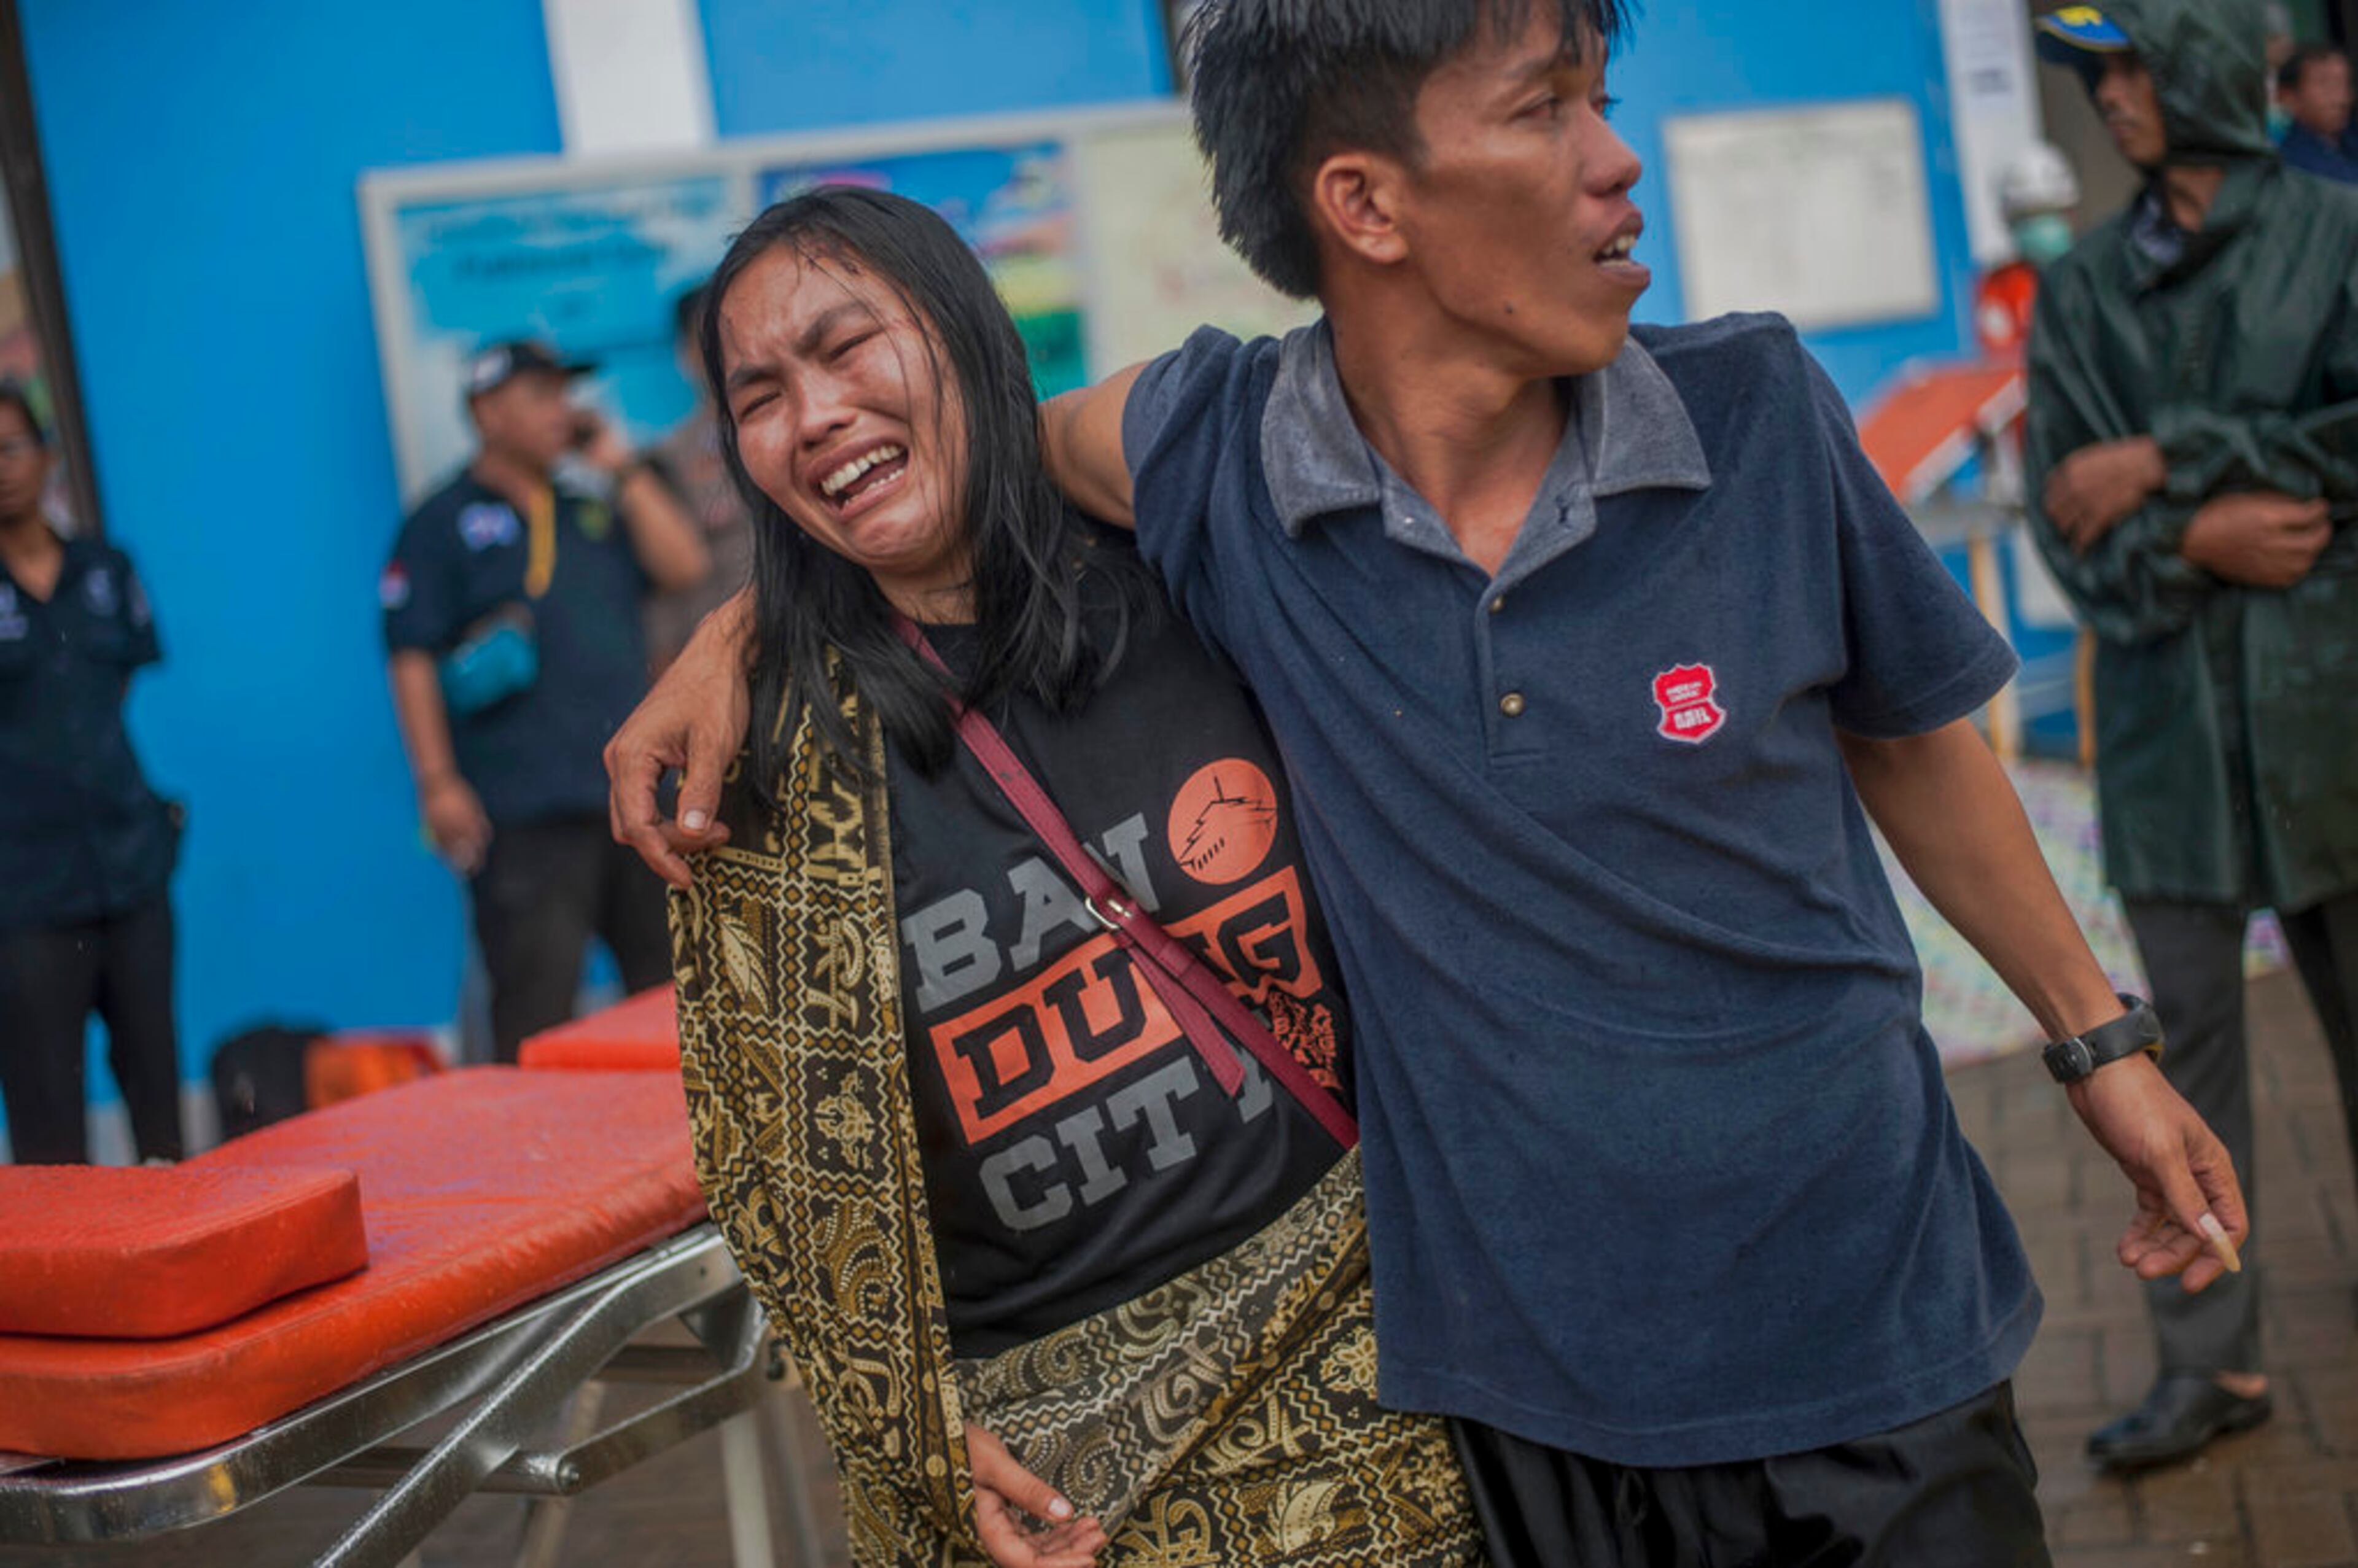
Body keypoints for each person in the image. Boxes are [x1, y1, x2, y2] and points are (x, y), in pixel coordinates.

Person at [619, 2, 2251, 1561]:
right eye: (1547, 108)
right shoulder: (1223, 467)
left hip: (1876, 1332)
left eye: (1600, 98)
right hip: (1528, 1405)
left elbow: (1909, 739)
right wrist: (753, 619)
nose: (1616, 156)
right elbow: (942, 469)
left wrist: (2097, 1040)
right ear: (1366, 203)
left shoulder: (1754, 410)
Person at [667, 187, 1481, 1567]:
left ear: (965, 331)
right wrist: (917, 1430)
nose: (814, 415)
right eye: (760, 396)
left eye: (849, 345)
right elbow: (772, 1168)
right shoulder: (764, 762)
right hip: (1051, 1459)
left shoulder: (1195, 576)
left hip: (1390, 1349)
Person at [2026, 0, 2358, 1470]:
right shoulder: (2081, 290)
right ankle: (2210, 1363)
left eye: (2133, 63)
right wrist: (2204, 537)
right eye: (2093, 72)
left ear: (2216, 59)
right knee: (2178, 1067)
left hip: (2333, 724)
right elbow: (2070, 523)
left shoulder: (2335, 237)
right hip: (2169, 742)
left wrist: (2168, 461)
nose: (2111, 95)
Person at [382, 340, 709, 1062]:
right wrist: (437, 783)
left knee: (677, 995)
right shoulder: (439, 523)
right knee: (536, 1011)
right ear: (486, 413)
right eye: (540, 396)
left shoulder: (591, 504)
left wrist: (621, 467)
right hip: (524, 813)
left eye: (565, 394)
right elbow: (411, 654)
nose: (562, 410)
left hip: (633, 799)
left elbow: (684, 565)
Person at [0, 384, 184, 1165]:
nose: (1, 468)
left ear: (46, 457)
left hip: (130, 871)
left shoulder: (106, 569)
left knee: (160, 1109)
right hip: (25, 896)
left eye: (11, 447)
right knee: (49, 1131)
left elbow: (113, 691)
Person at [642, 284, 758, 673]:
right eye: (709, 338)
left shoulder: (808, 422)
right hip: (727, 665)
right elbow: (663, 590)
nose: (728, 350)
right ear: (686, 356)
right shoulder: (667, 461)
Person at [1977, 141, 2085, 359]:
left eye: (2049, 212)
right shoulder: (2000, 286)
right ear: (2010, 223)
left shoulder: (2094, 274)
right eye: (2029, 217)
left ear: (2071, 215)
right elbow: (1999, 357)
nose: (2042, 228)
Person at [2279, 43, 2358, 183]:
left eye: (2344, 84)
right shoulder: (2292, 168)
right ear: (2290, 98)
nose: (2341, 97)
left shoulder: (2351, 139)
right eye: (2325, 84)